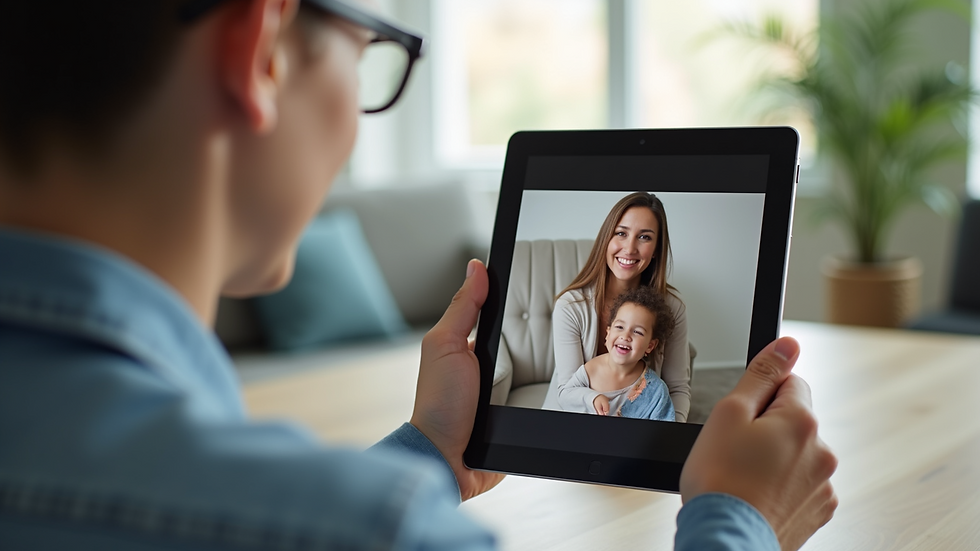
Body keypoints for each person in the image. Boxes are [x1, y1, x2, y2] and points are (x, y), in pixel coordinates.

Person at [0, 1, 837, 550]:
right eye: (371, 54)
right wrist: (739, 521)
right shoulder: (378, 530)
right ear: (257, 49)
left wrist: (430, 450)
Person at [544, 192, 693, 421]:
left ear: (656, 250)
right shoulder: (570, 307)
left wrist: (670, 435)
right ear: (606, 239)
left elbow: (678, 389)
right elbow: (567, 391)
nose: (630, 248)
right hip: (570, 419)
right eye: (621, 233)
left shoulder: (673, 308)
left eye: (644, 237)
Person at [556, 286, 676, 421]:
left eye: (637, 332)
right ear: (608, 334)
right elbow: (565, 396)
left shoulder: (655, 390)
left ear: (650, 346)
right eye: (619, 327)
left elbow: (664, 430)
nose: (625, 336)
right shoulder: (591, 369)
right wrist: (592, 397)